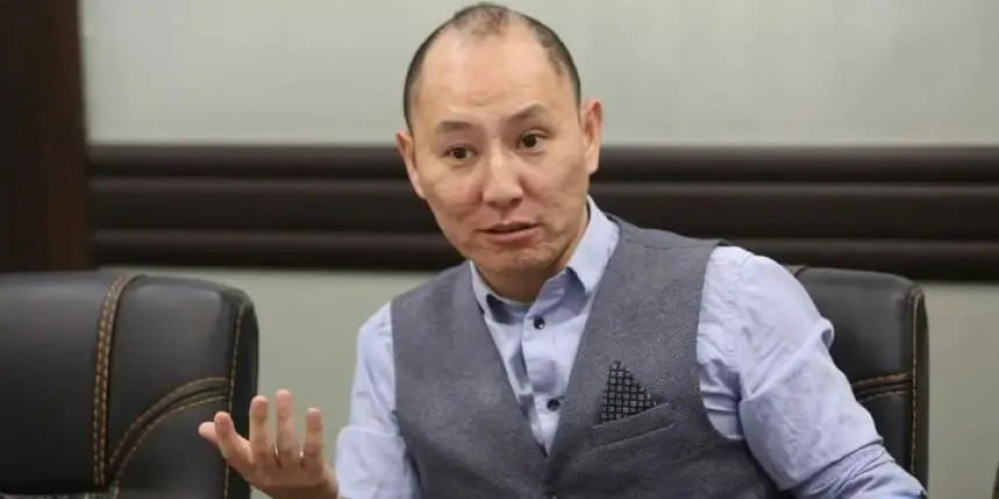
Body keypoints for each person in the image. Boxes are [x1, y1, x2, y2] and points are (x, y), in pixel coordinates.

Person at [198, 3, 928, 498]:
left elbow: (863, 487)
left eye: (531, 140)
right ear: (414, 164)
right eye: (458, 152)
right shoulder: (392, 342)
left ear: (589, 135)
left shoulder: (735, 294)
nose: (500, 186)